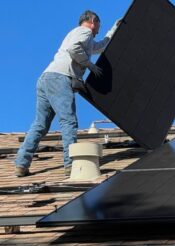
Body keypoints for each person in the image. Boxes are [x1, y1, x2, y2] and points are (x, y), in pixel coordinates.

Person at [14, 10, 119, 177]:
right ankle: (71, 165)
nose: (99, 28)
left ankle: (21, 164)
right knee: (68, 121)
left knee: (40, 125)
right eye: (99, 24)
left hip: (46, 78)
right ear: (92, 21)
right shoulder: (84, 32)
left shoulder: (80, 35)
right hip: (60, 78)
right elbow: (74, 48)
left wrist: (114, 29)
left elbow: (99, 47)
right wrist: (89, 65)